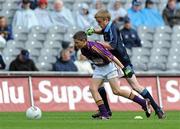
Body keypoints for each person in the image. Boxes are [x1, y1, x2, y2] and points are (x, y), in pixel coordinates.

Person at [86, 9, 165, 119]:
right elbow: (103, 31)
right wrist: (94, 31)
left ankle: (156, 108)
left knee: (135, 86)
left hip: (122, 61)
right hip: (114, 61)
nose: (98, 24)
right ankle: (106, 111)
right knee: (100, 85)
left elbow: (112, 45)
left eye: (99, 22)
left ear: (106, 20)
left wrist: (97, 43)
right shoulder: (107, 27)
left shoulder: (113, 28)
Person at [73, 31, 151, 119]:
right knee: (93, 88)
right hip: (99, 68)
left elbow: (112, 57)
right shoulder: (83, 49)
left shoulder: (94, 47)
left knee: (116, 91)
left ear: (84, 40)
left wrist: (124, 68)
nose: (75, 44)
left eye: (77, 42)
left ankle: (143, 102)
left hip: (109, 67)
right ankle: (104, 113)